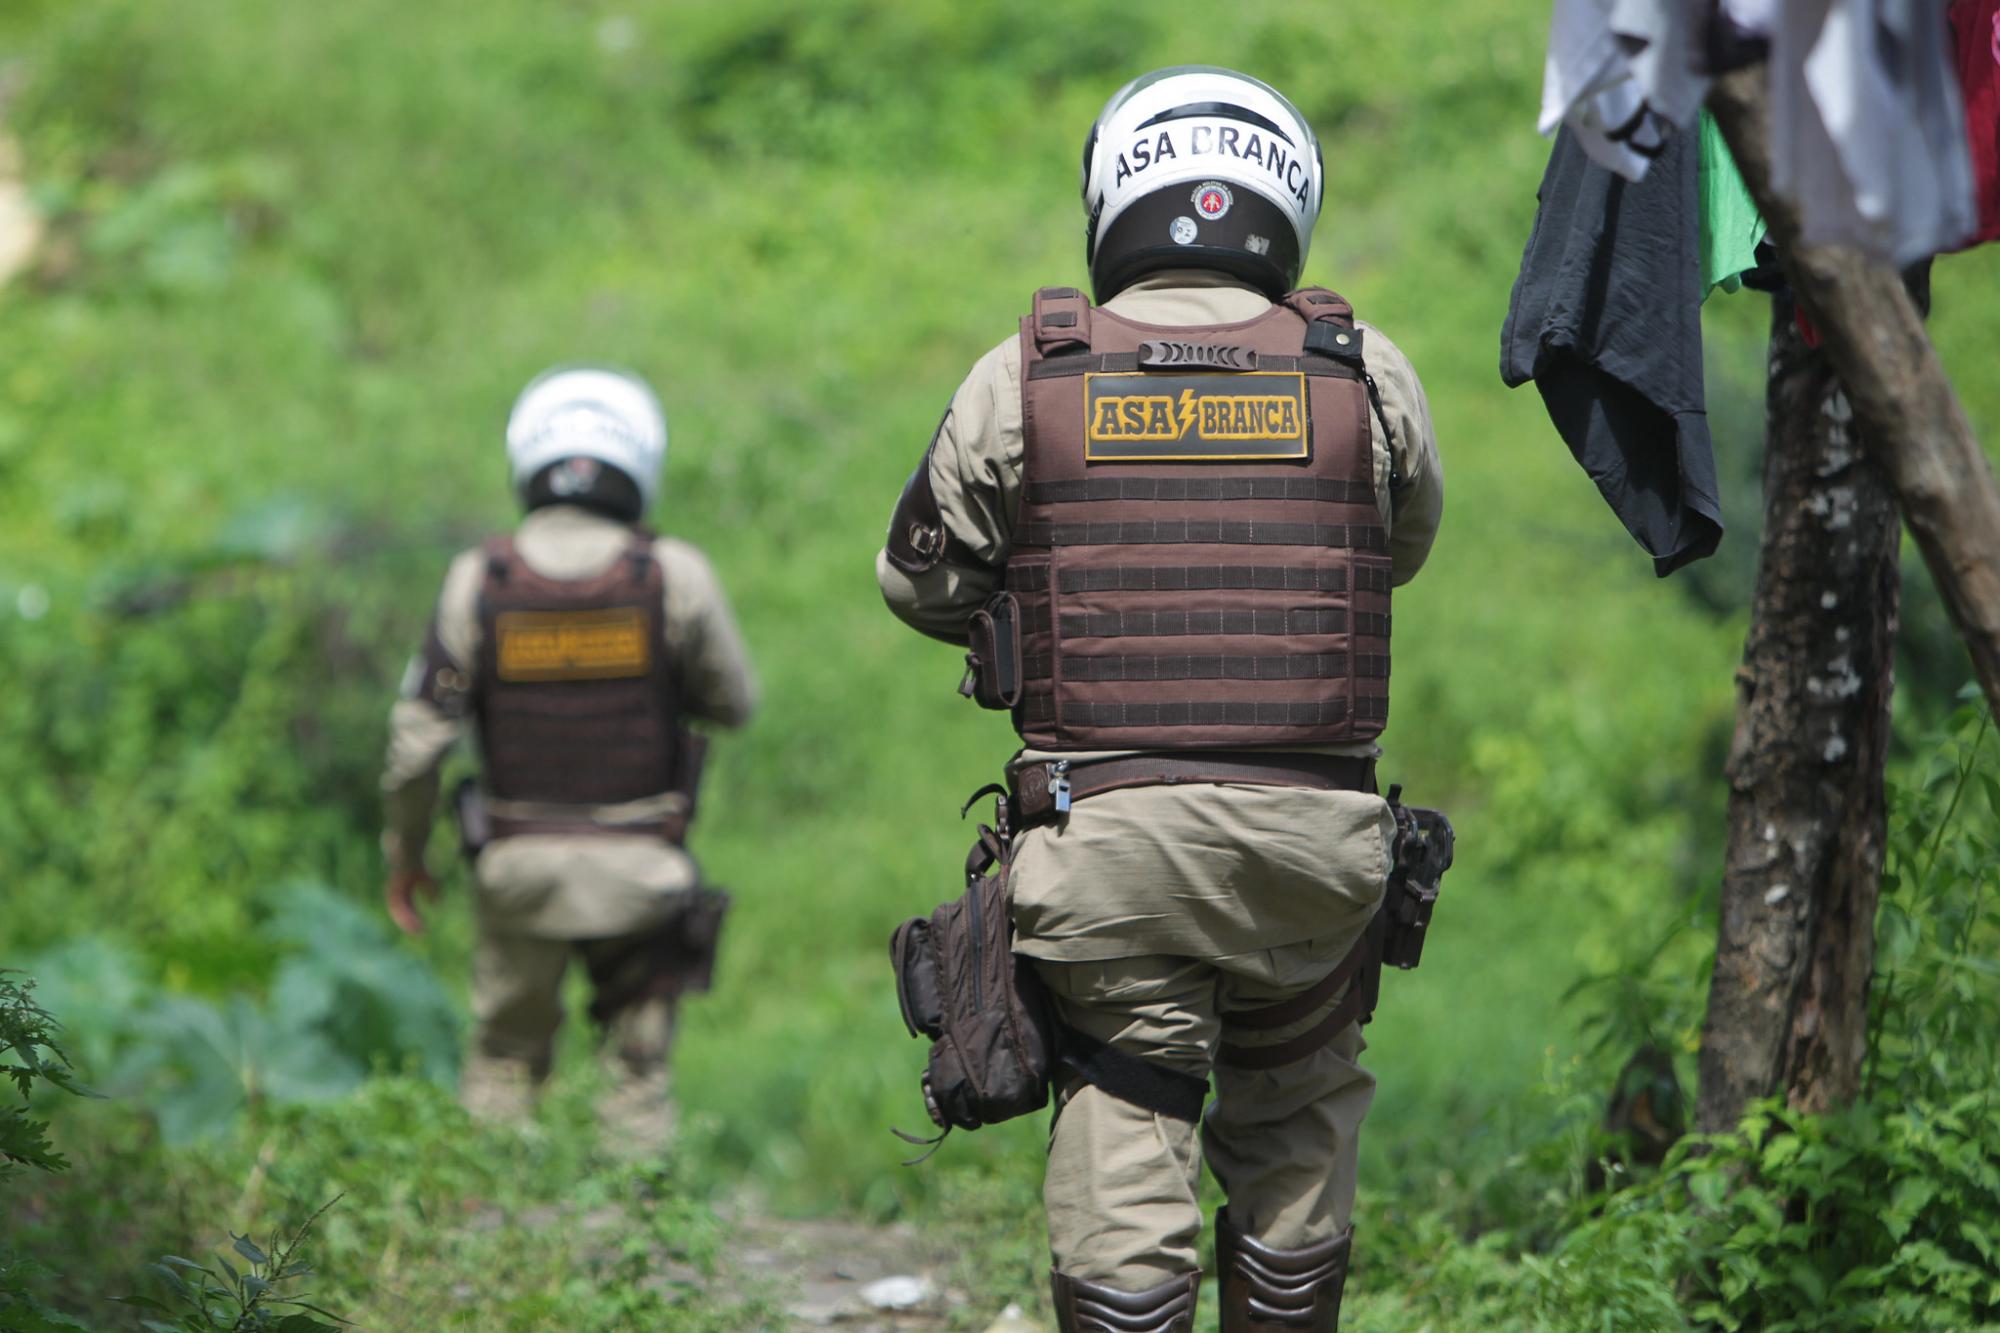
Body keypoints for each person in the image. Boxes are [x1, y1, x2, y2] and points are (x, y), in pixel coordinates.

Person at [875, 68, 1443, 1332]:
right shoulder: (1362, 369)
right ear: (1286, 200)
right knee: (1295, 1112)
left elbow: (914, 581)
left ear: (1111, 195)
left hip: (1107, 851)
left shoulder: (1028, 371)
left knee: (1128, 1122)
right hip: (1314, 851)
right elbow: (1399, 550)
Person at [381, 366, 756, 1149]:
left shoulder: (480, 578)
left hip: (516, 871)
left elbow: (417, 745)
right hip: (642, 872)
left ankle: (491, 1219)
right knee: (636, 1076)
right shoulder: (672, 573)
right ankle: (637, 1219)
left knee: (503, 1063)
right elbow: (733, 703)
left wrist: (406, 857)